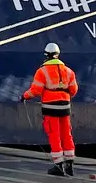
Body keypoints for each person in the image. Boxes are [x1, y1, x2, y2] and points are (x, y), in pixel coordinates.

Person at [23, 43, 79, 175]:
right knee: (67, 134)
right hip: (65, 107)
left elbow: (35, 91)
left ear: (46, 55)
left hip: (50, 107)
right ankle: (70, 166)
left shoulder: (42, 71)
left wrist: (24, 96)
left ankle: (58, 166)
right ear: (58, 54)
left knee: (54, 135)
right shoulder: (69, 71)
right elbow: (74, 90)